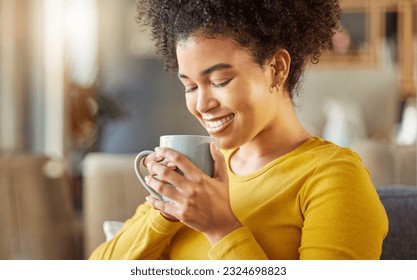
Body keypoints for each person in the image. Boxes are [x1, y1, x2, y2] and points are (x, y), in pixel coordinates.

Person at [89, 0, 388, 260]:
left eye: (219, 81)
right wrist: (165, 212)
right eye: (190, 86)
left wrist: (221, 229)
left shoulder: (334, 178)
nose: (202, 104)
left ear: (277, 68)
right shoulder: (201, 170)